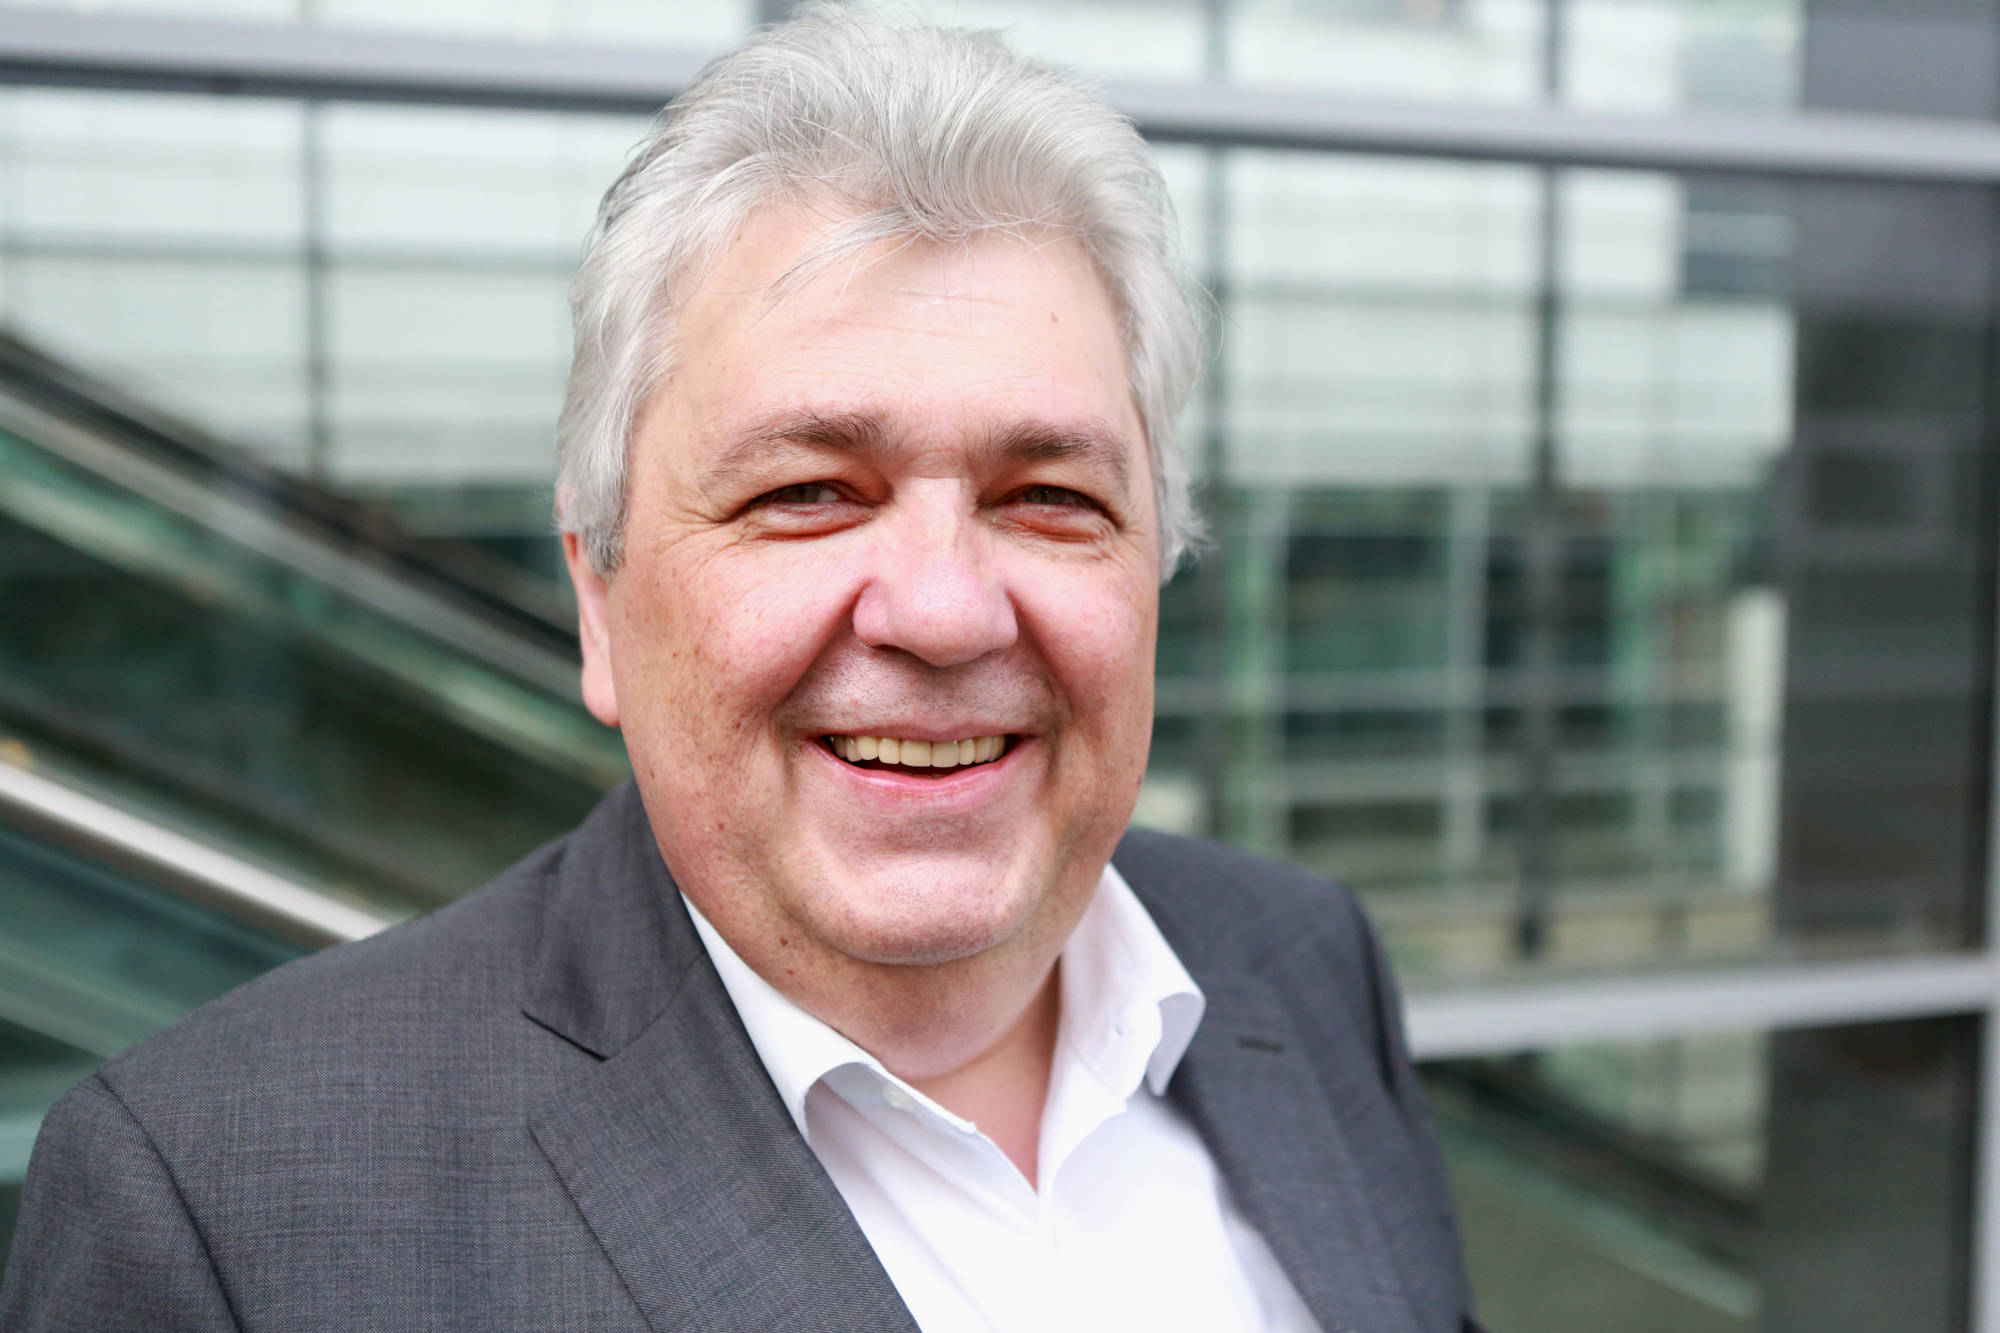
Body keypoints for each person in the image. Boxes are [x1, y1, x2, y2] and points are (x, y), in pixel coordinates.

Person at [0, 8, 1478, 1330]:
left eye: (1048, 497)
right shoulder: (222, 1219)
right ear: (600, 600)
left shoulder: (1300, 963)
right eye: (808, 493)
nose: (945, 612)